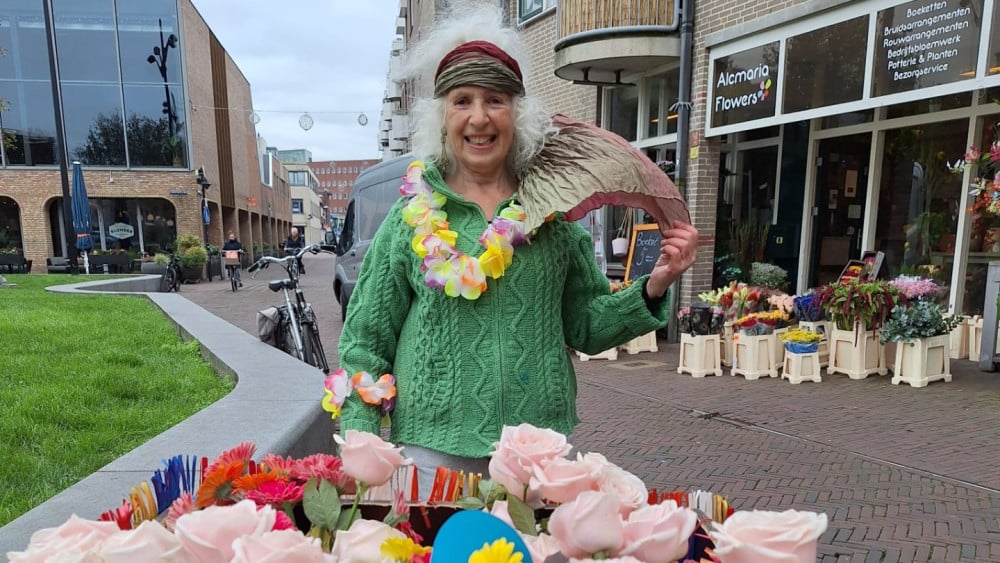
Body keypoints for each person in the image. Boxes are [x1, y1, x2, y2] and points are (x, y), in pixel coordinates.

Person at [336, 3, 699, 499]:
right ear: (441, 117)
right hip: (431, 458)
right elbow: (365, 341)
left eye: (496, 100)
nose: (479, 117)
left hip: (538, 456)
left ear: (518, 114)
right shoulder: (407, 223)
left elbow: (586, 326)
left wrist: (655, 284)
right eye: (462, 100)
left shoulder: (552, 218)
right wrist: (359, 441)